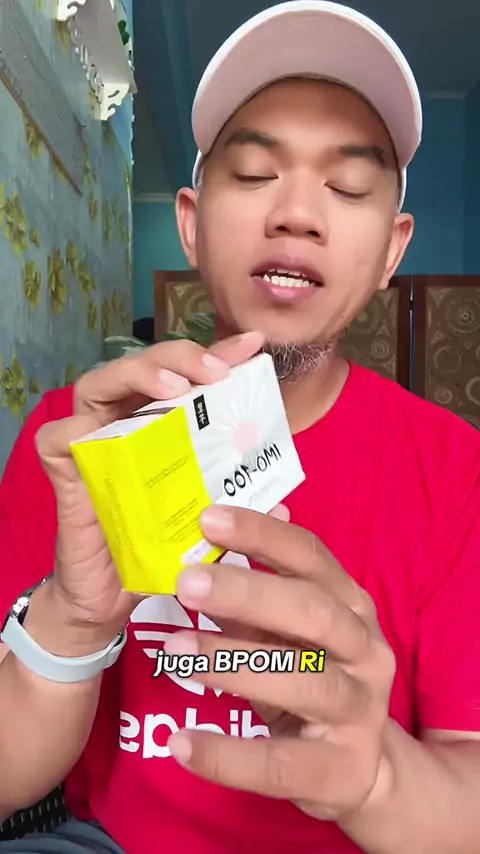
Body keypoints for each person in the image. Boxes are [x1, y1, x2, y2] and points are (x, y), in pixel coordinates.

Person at [1, 2, 480, 852]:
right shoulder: (75, 442)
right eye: (255, 174)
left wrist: (375, 777)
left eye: (348, 187)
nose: (297, 212)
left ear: (390, 252)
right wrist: (71, 623)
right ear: (190, 223)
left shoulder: (456, 471)